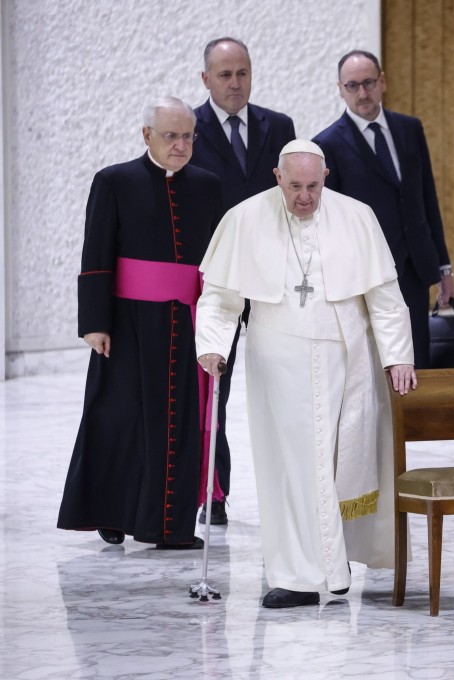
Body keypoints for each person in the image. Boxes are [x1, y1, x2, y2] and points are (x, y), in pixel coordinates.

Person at [195, 139, 416, 608]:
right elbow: (219, 295)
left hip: (345, 353)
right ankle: (297, 575)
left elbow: (384, 294)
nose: (304, 197)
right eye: (294, 186)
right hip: (276, 356)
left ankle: (335, 567)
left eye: (313, 186)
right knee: (288, 465)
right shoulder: (245, 218)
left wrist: (398, 356)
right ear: (278, 177)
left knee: (336, 461)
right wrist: (213, 345)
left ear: (326, 177)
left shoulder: (357, 216)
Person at [57, 97, 222, 550]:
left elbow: (218, 259)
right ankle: (111, 514)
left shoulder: (209, 186)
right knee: (118, 418)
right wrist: (94, 322)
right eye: (171, 135)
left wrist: (220, 319)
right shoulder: (114, 181)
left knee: (179, 422)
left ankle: (168, 527)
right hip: (126, 323)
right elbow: (95, 252)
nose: (181, 145)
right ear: (146, 135)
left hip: (184, 324)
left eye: (188, 136)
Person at [188, 36, 298, 525]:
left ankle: (290, 492)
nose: (235, 83)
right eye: (225, 75)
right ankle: (213, 492)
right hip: (223, 277)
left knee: (283, 385)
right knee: (217, 391)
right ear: (206, 79)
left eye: (242, 73)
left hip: (274, 278)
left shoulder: (280, 126)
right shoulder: (188, 129)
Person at [312, 49, 454, 368]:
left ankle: (412, 420)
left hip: (414, 270)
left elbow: (427, 199)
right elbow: (327, 224)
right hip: (365, 276)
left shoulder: (410, 129)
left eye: (368, 82)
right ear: (340, 89)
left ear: (383, 81)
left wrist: (444, 268)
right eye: (352, 86)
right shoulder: (327, 145)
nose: (362, 93)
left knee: (416, 361)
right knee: (375, 366)